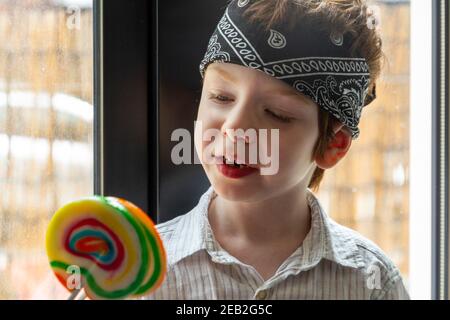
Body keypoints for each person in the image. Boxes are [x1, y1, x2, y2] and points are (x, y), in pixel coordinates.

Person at [145, 0, 410, 299]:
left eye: (276, 113)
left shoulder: (372, 282)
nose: (235, 128)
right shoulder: (143, 274)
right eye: (221, 97)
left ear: (332, 145)